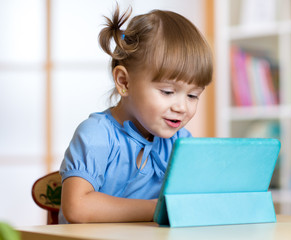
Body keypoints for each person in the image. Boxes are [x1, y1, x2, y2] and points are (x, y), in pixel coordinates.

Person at [59, 5, 213, 224]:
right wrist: (157, 208)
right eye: (167, 92)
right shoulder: (97, 135)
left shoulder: (181, 142)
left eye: (193, 96)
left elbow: (196, 202)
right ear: (124, 82)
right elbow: (77, 208)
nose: (182, 107)